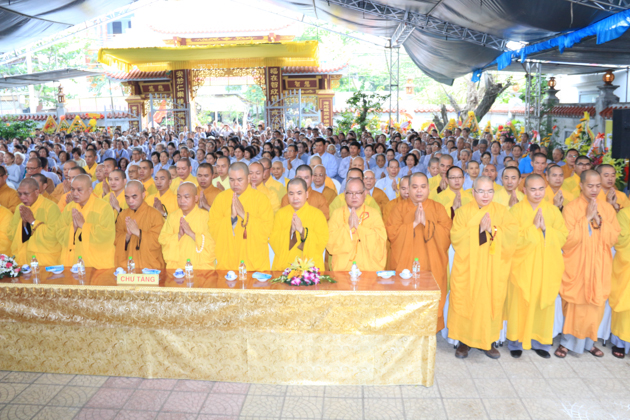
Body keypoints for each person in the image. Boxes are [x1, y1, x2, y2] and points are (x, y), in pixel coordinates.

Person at [448, 176, 518, 359]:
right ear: (473, 192)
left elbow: (512, 235)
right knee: (466, 300)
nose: (485, 195)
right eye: (481, 191)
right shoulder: (463, 212)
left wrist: (492, 230)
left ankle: (488, 341)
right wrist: (477, 229)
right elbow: (456, 237)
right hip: (469, 268)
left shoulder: (502, 211)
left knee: (488, 302)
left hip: (492, 269)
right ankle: (463, 342)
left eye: (489, 191)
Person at [555, 170, 620, 358]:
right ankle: (566, 343)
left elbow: (614, 237)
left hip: (599, 264)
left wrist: (600, 221)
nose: (594, 189)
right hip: (578, 264)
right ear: (581, 185)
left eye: (598, 186)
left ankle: (590, 343)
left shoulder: (606, 209)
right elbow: (567, 240)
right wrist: (586, 219)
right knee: (576, 304)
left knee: (595, 304)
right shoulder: (571, 208)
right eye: (590, 185)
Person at [506, 174, 568, 358]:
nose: (538, 193)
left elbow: (563, 236)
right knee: (519, 303)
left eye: (541, 189)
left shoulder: (553, 211)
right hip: (523, 266)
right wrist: (533, 228)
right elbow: (510, 239)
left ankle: (540, 341)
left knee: (543, 303)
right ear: (524, 190)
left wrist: (546, 230)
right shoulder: (515, 211)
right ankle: (516, 342)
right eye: (533, 189)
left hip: (546, 266)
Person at [386, 172, 452, 330]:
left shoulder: (438, 208)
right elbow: (392, 233)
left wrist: (427, 224)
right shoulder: (399, 208)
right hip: (405, 265)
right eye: (415, 187)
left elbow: (447, 234)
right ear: (408, 189)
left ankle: (428, 333)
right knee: (405, 303)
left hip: (431, 265)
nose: (419, 191)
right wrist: (414, 224)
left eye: (423, 187)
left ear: (428, 188)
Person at [208, 162, 274, 270]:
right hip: (228, 259)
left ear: (248, 178)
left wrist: (244, 216)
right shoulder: (221, 198)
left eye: (239, 180)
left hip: (253, 260)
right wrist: (231, 219)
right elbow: (212, 227)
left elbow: (267, 230)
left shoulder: (261, 199)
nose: (235, 184)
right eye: (231, 180)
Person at [327, 178, 387, 271]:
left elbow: (380, 242)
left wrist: (359, 228)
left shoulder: (373, 214)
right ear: (344, 194)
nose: (354, 196)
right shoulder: (337, 214)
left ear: (365, 194)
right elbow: (330, 243)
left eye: (358, 193)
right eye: (350, 193)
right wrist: (348, 227)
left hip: (368, 270)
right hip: (343, 270)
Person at [57, 174, 116, 269]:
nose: (75, 193)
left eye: (79, 190)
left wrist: (84, 225)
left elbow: (107, 235)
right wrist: (73, 228)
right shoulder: (69, 208)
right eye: (72, 189)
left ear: (90, 190)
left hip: (97, 264)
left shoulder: (104, 207)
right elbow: (59, 232)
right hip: (73, 262)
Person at [270, 178, 329, 271]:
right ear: (287, 195)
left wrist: (302, 231)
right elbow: (274, 241)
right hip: (285, 267)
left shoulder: (317, 215)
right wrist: (290, 232)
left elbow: (321, 243)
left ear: (306, 194)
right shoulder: (280, 214)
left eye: (299, 193)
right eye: (291, 194)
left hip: (309, 269)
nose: (295, 197)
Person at [159, 182, 215, 270]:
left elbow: (212, 244)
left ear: (195, 198)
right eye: (179, 197)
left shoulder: (206, 217)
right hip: (177, 269)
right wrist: (178, 236)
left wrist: (192, 233)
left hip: (199, 269)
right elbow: (162, 239)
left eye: (186, 197)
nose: (182, 201)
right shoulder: (172, 217)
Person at [7, 178, 62, 266]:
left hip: (45, 258)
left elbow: (54, 235)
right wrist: (23, 224)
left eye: (26, 194)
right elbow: (10, 233)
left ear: (36, 192)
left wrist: (32, 221)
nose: (22, 197)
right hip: (23, 258)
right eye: (19, 194)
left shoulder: (51, 207)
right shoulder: (20, 208)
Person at [114, 180, 166, 271]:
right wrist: (127, 236)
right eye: (127, 197)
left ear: (143, 195)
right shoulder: (122, 215)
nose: (130, 201)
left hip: (150, 268)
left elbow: (159, 241)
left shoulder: (155, 215)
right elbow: (116, 240)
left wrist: (138, 232)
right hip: (128, 267)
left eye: (134, 197)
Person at [610, 206, 630, 358]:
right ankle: (620, 343)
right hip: (627, 264)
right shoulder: (624, 214)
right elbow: (620, 240)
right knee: (625, 304)